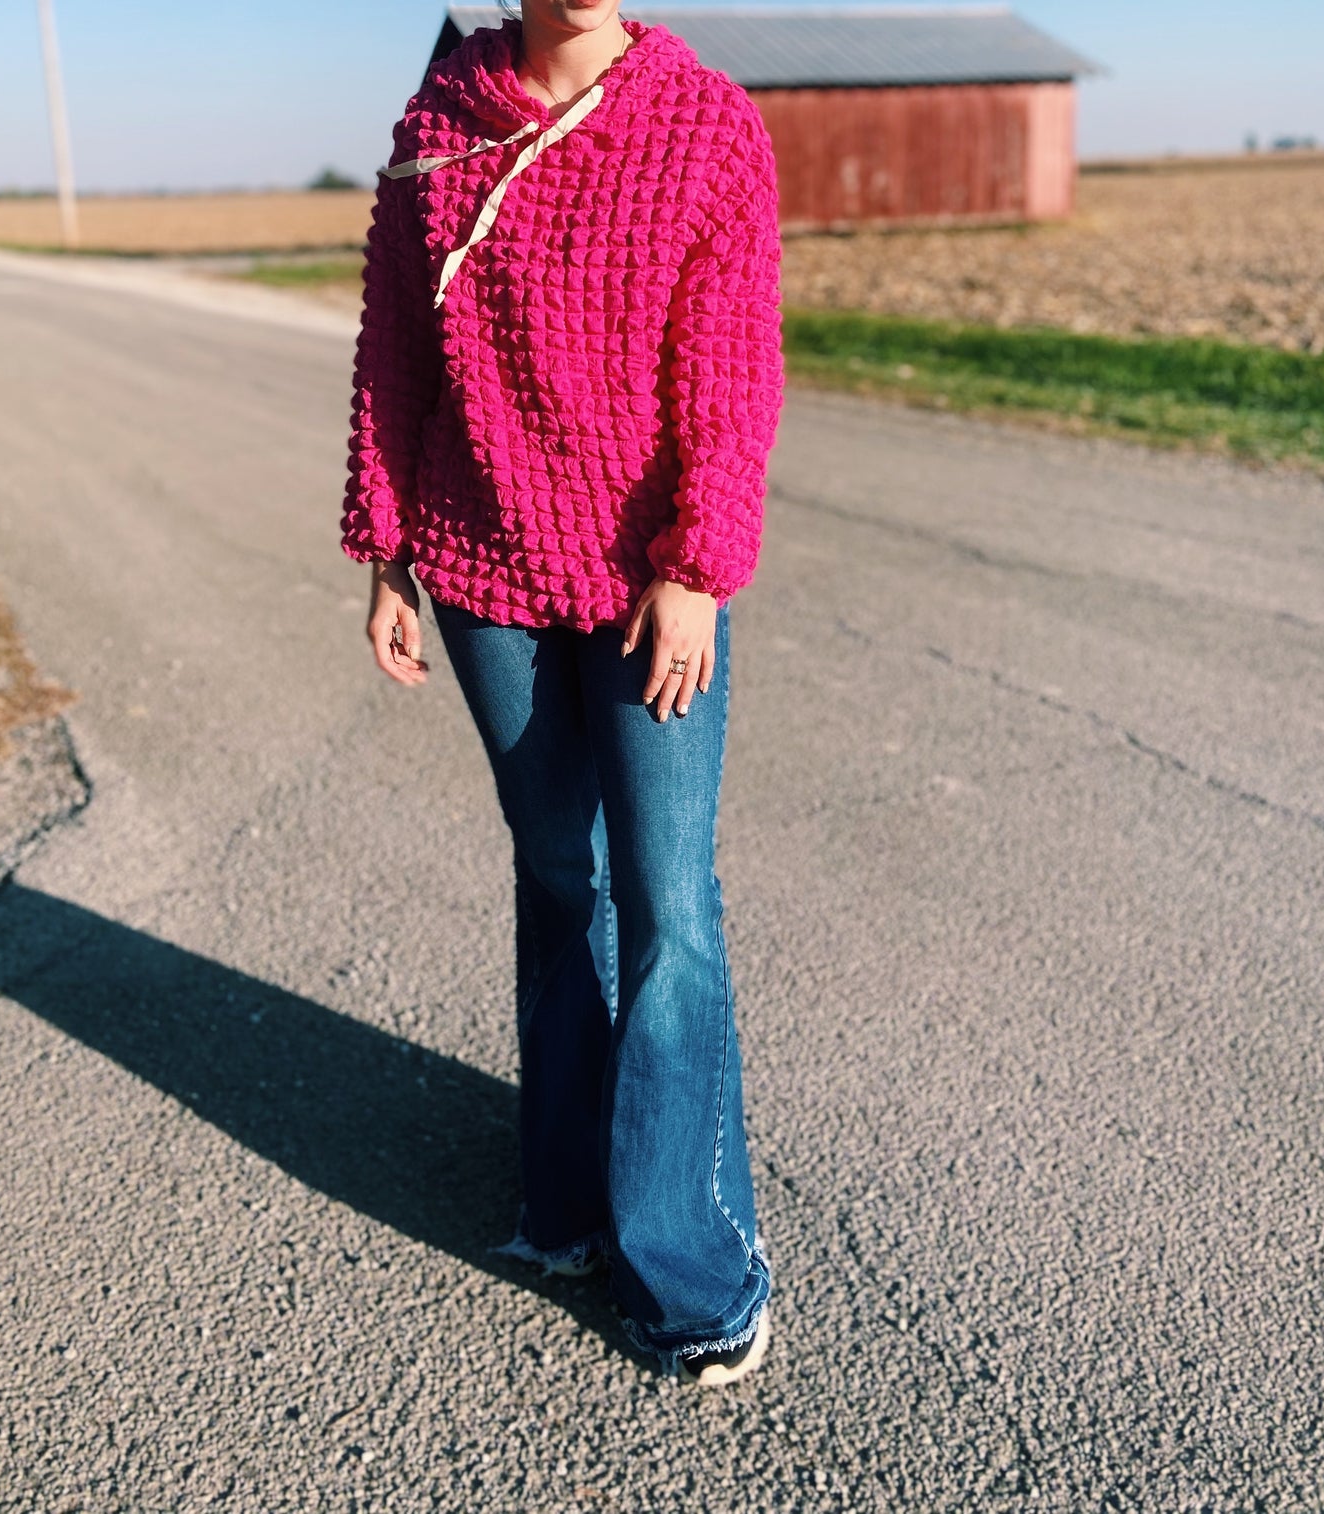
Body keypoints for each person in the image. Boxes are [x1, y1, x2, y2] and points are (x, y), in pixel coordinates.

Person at [341, 0, 784, 1386]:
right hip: (482, 572)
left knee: (666, 903)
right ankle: (568, 1198)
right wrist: (390, 552)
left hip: (652, 581)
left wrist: (700, 563)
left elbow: (730, 365)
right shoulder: (435, 133)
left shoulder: (705, 123)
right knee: (555, 876)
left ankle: (693, 1261)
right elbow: (396, 358)